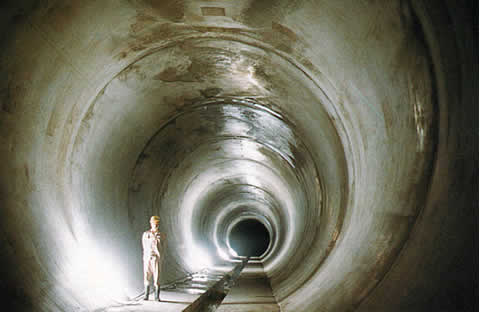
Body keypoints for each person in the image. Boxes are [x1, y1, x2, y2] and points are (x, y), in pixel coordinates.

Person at [142, 216, 167, 301]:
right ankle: (146, 295)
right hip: (148, 257)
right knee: (146, 276)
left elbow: (163, 246)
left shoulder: (161, 235)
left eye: (157, 224)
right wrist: (146, 256)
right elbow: (144, 246)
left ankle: (157, 296)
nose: (155, 225)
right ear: (151, 223)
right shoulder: (146, 234)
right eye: (154, 223)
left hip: (156, 258)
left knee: (157, 277)